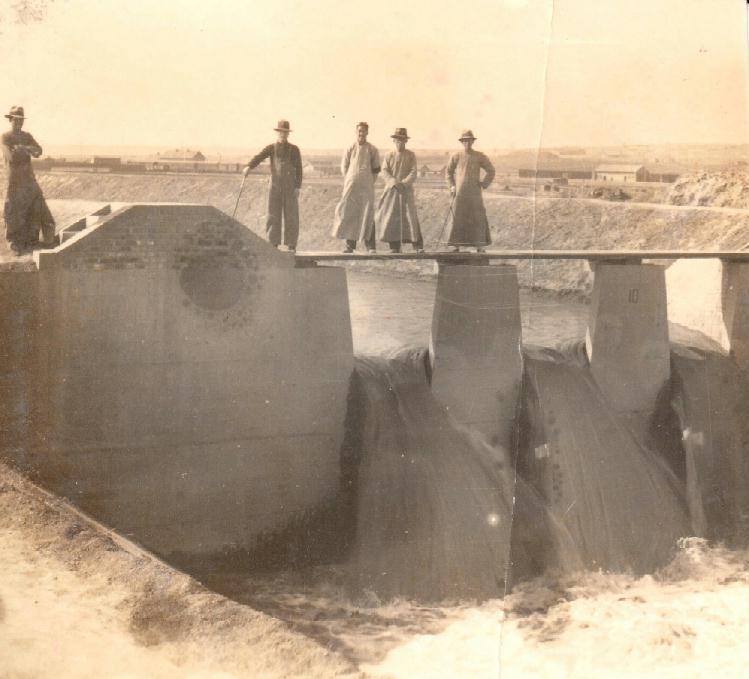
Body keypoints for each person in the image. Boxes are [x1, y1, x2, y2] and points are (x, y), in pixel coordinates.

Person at [2, 106, 56, 255]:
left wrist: (24, 148)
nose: (19, 123)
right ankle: (14, 245)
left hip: (29, 179)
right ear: (10, 120)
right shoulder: (5, 137)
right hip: (14, 180)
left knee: (39, 206)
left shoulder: (27, 136)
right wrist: (29, 150)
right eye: (16, 120)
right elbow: (11, 157)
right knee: (13, 211)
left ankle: (45, 241)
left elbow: (39, 151)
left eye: (21, 120)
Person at [244, 120, 302, 253]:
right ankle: (272, 244)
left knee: (292, 215)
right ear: (278, 133)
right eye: (281, 132)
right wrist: (249, 167)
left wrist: (298, 187)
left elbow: (299, 169)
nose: (283, 134)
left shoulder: (294, 149)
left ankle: (291, 245)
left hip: (290, 187)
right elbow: (259, 157)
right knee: (273, 214)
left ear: (288, 134)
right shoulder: (271, 148)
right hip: (275, 186)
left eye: (285, 132)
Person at [332, 122, 380, 253]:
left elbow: (376, 170)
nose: (361, 133)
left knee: (367, 214)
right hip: (351, 187)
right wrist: (350, 179)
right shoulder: (350, 148)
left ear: (367, 132)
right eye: (359, 131)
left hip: (366, 188)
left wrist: (368, 182)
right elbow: (344, 167)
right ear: (356, 132)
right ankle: (350, 246)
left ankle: (370, 247)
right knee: (350, 212)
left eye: (363, 131)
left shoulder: (372, 150)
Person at [445, 129, 495, 253]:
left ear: (473, 142)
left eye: (469, 141)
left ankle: (480, 246)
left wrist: (484, 184)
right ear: (462, 142)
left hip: (474, 194)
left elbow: (491, 170)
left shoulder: (479, 156)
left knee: (477, 217)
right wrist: (452, 186)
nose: (467, 143)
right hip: (459, 193)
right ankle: (456, 246)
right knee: (457, 217)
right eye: (465, 141)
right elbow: (448, 172)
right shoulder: (456, 156)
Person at [376, 127, 423, 253]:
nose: (399, 142)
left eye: (402, 140)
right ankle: (394, 246)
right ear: (394, 141)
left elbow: (414, 172)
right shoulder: (388, 155)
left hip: (406, 191)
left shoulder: (411, 155)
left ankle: (417, 246)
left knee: (410, 216)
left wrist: (404, 183)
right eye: (397, 140)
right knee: (392, 217)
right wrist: (393, 182)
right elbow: (384, 171)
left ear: (406, 141)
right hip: (392, 191)